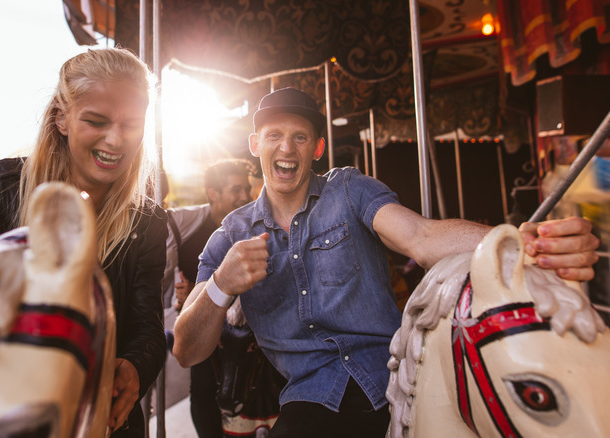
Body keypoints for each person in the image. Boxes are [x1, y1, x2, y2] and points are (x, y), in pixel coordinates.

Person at [172, 87, 600, 437]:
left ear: (317, 147)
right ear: (255, 145)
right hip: (311, 400)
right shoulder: (229, 236)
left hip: (397, 379)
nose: (287, 147)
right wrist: (220, 285)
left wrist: (523, 242)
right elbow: (188, 350)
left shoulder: (350, 190)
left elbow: (420, 236)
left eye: (300, 137)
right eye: (274, 135)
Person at [0, 47, 166, 438]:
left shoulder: (147, 220)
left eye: (131, 125)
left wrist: (133, 367)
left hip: (103, 420)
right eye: (96, 121)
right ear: (61, 118)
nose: (115, 140)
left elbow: (147, 325)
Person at [162, 158, 252, 438]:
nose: (245, 196)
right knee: (202, 390)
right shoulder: (189, 228)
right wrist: (183, 299)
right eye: (236, 189)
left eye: (247, 189)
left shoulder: (253, 223)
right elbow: (165, 274)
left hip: (247, 327)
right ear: (213, 194)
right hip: (205, 322)